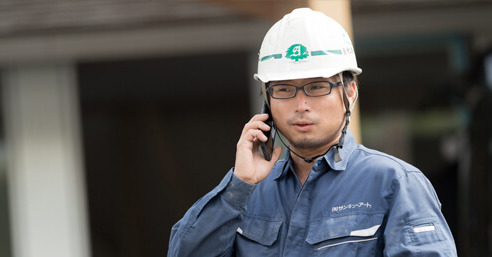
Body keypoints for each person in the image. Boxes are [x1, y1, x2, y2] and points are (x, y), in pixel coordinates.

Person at [167, 8, 457, 257]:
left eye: (317, 87)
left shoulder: (395, 184)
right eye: (283, 89)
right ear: (267, 103)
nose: (301, 105)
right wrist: (239, 185)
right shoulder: (247, 193)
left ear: (350, 91)